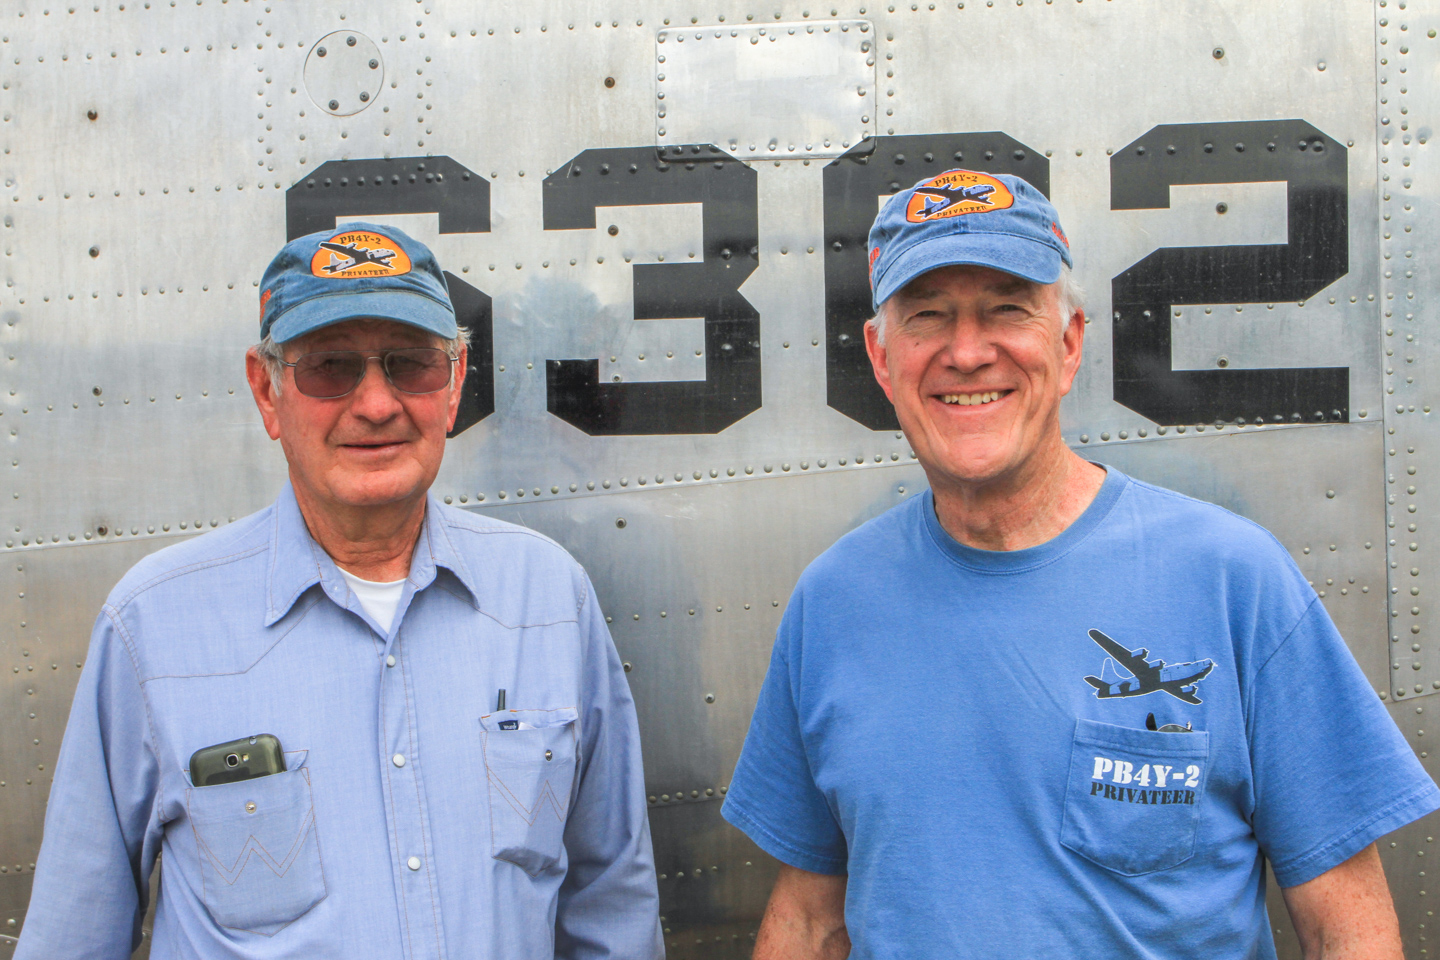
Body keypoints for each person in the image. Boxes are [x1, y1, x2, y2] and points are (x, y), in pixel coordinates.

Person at [721, 170, 1440, 958]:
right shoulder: (833, 602)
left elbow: (1349, 926)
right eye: (928, 315)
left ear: (1067, 345)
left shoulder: (1233, 579)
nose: (967, 352)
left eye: (1006, 309)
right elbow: (810, 918)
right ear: (882, 358)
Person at [17, 223, 663, 959]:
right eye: (331, 367)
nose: (377, 403)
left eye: (410, 365)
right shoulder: (153, 629)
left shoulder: (548, 600)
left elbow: (612, 906)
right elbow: (73, 936)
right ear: (268, 391)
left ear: (452, 388)